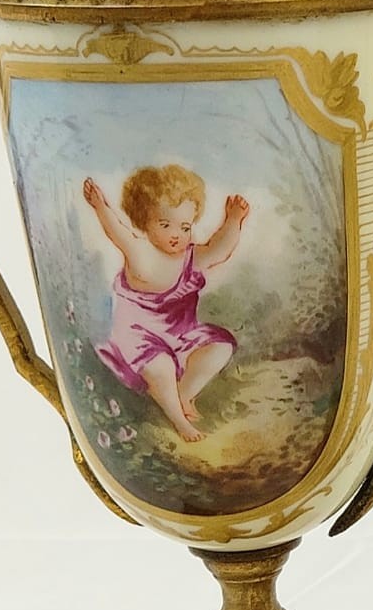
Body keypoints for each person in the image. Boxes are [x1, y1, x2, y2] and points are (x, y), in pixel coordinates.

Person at [82, 164, 249, 442]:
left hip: (180, 336)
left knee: (221, 347)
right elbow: (115, 231)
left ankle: (182, 395)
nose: (177, 234)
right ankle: (179, 422)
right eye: (165, 224)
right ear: (144, 222)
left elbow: (220, 249)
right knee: (160, 367)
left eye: (185, 227)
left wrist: (233, 220)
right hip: (140, 338)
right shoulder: (140, 253)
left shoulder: (190, 258)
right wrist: (100, 206)